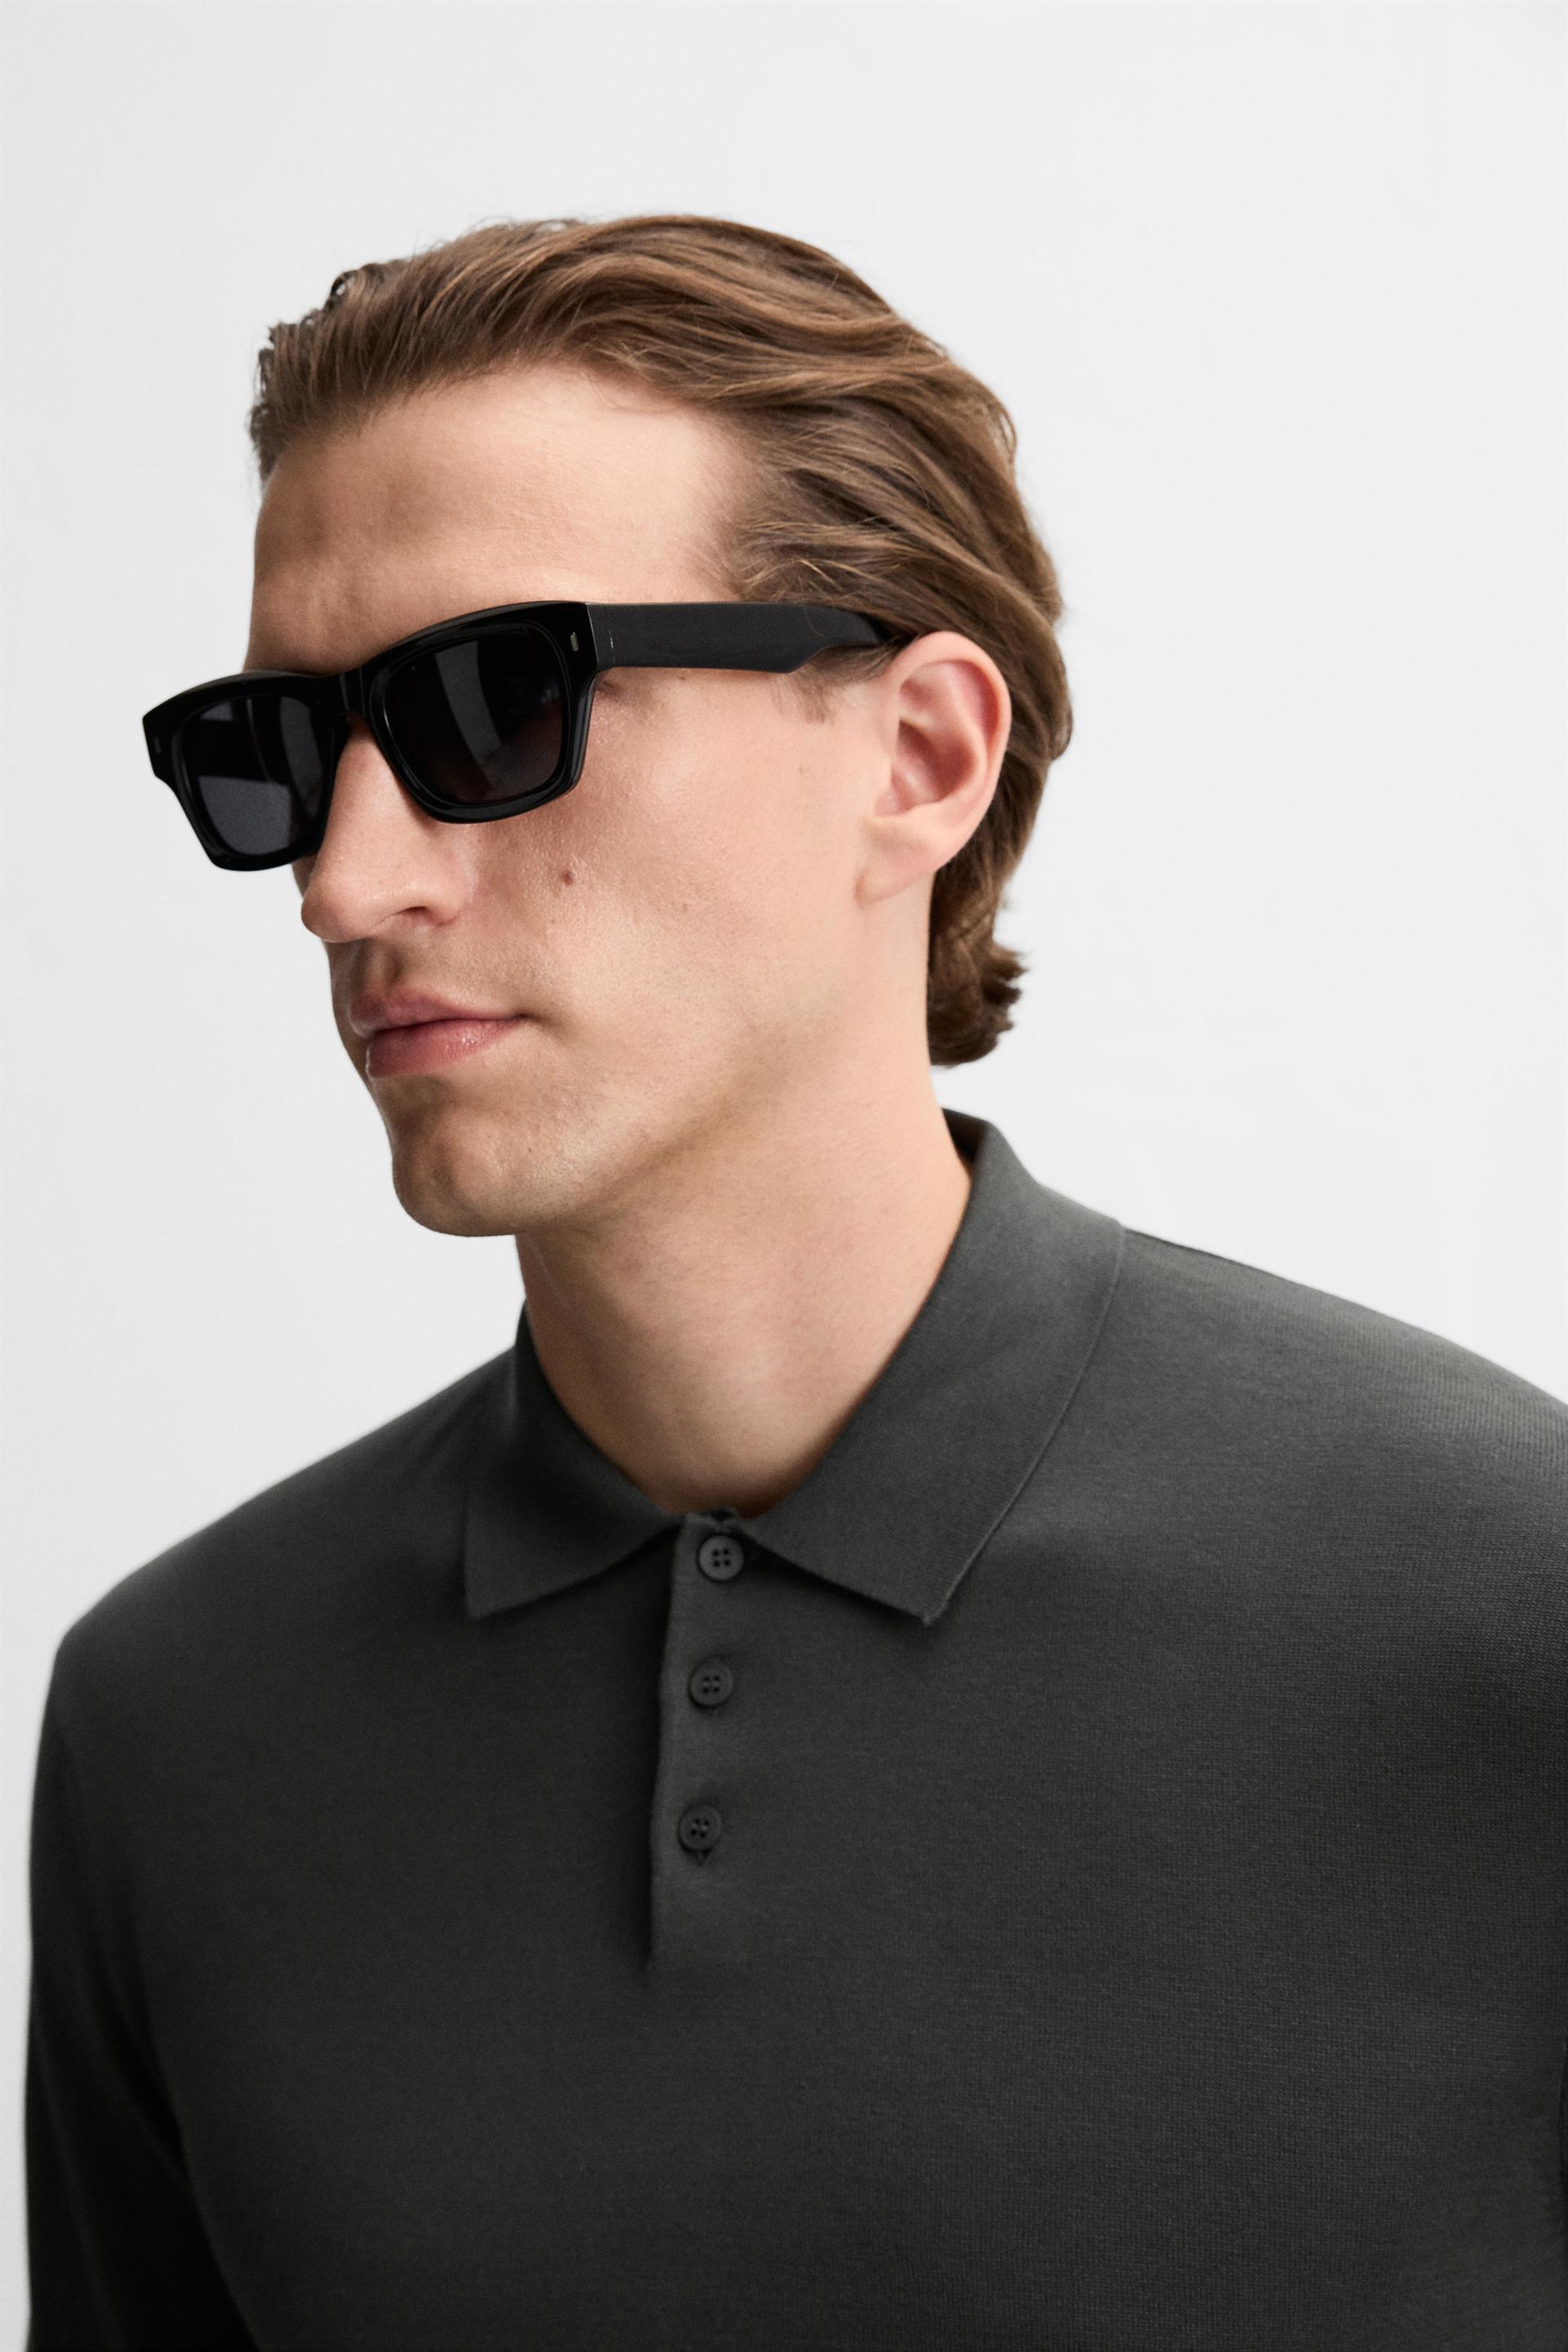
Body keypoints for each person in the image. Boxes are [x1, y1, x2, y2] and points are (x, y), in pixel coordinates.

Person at [24, 212, 1568, 2352]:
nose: (346, 884)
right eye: (280, 750)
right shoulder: (179, 1725)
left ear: (918, 756)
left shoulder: (1506, 1605)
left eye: (497, 699)